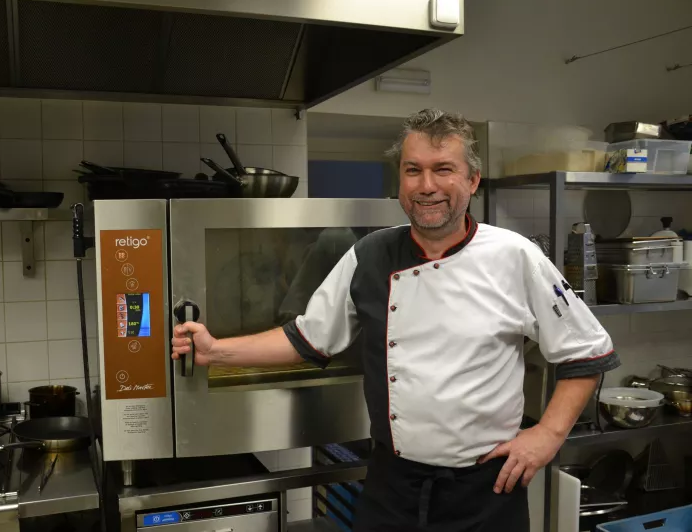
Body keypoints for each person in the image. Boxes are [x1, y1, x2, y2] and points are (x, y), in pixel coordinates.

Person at [172, 108, 619, 532]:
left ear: (473, 180)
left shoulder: (514, 256)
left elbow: (587, 352)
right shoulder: (369, 256)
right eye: (413, 170)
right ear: (401, 181)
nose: (427, 185)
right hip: (393, 486)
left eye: (443, 169)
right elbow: (307, 338)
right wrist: (216, 350)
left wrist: (548, 435)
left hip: (486, 489)